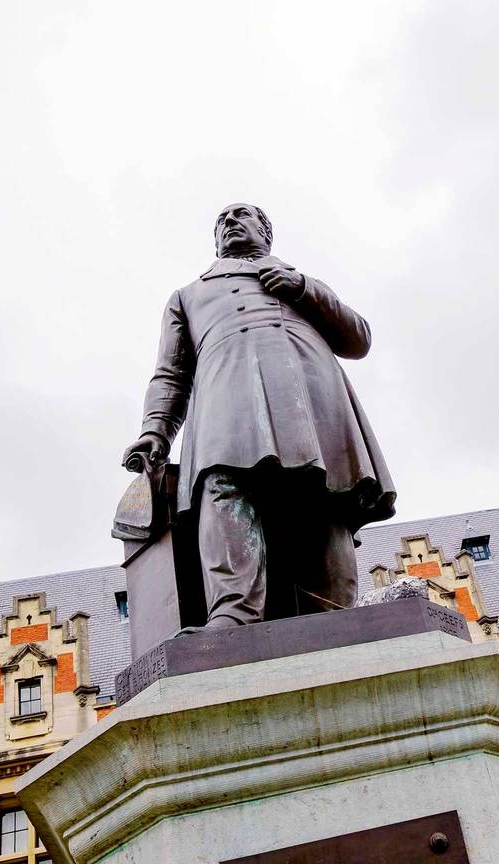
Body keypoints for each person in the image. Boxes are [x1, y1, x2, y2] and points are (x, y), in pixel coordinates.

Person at [122, 204, 395, 627]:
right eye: (222, 220)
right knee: (222, 483)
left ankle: (333, 611)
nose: (230, 221)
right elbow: (170, 375)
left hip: (308, 392)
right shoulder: (187, 296)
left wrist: (304, 289)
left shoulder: (301, 282)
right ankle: (233, 611)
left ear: (265, 232)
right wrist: (154, 430)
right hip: (224, 394)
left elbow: (358, 339)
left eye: (242, 215)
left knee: (319, 491)